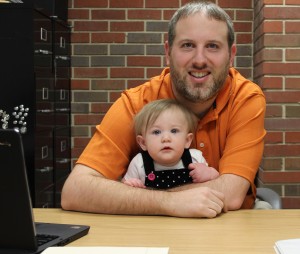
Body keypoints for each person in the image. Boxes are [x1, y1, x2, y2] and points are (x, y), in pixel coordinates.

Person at [61, 1, 266, 218]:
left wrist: (139, 198)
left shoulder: (246, 98)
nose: (199, 60)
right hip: (151, 233)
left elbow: (232, 194)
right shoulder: (136, 103)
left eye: (213, 46)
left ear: (231, 55)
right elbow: (75, 191)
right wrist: (170, 202)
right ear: (168, 52)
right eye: (187, 45)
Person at [122, 99, 219, 189]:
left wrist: (210, 174)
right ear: (143, 143)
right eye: (156, 132)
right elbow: (123, 191)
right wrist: (131, 185)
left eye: (174, 131)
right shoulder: (139, 163)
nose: (166, 138)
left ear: (187, 140)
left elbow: (217, 181)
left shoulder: (195, 158)